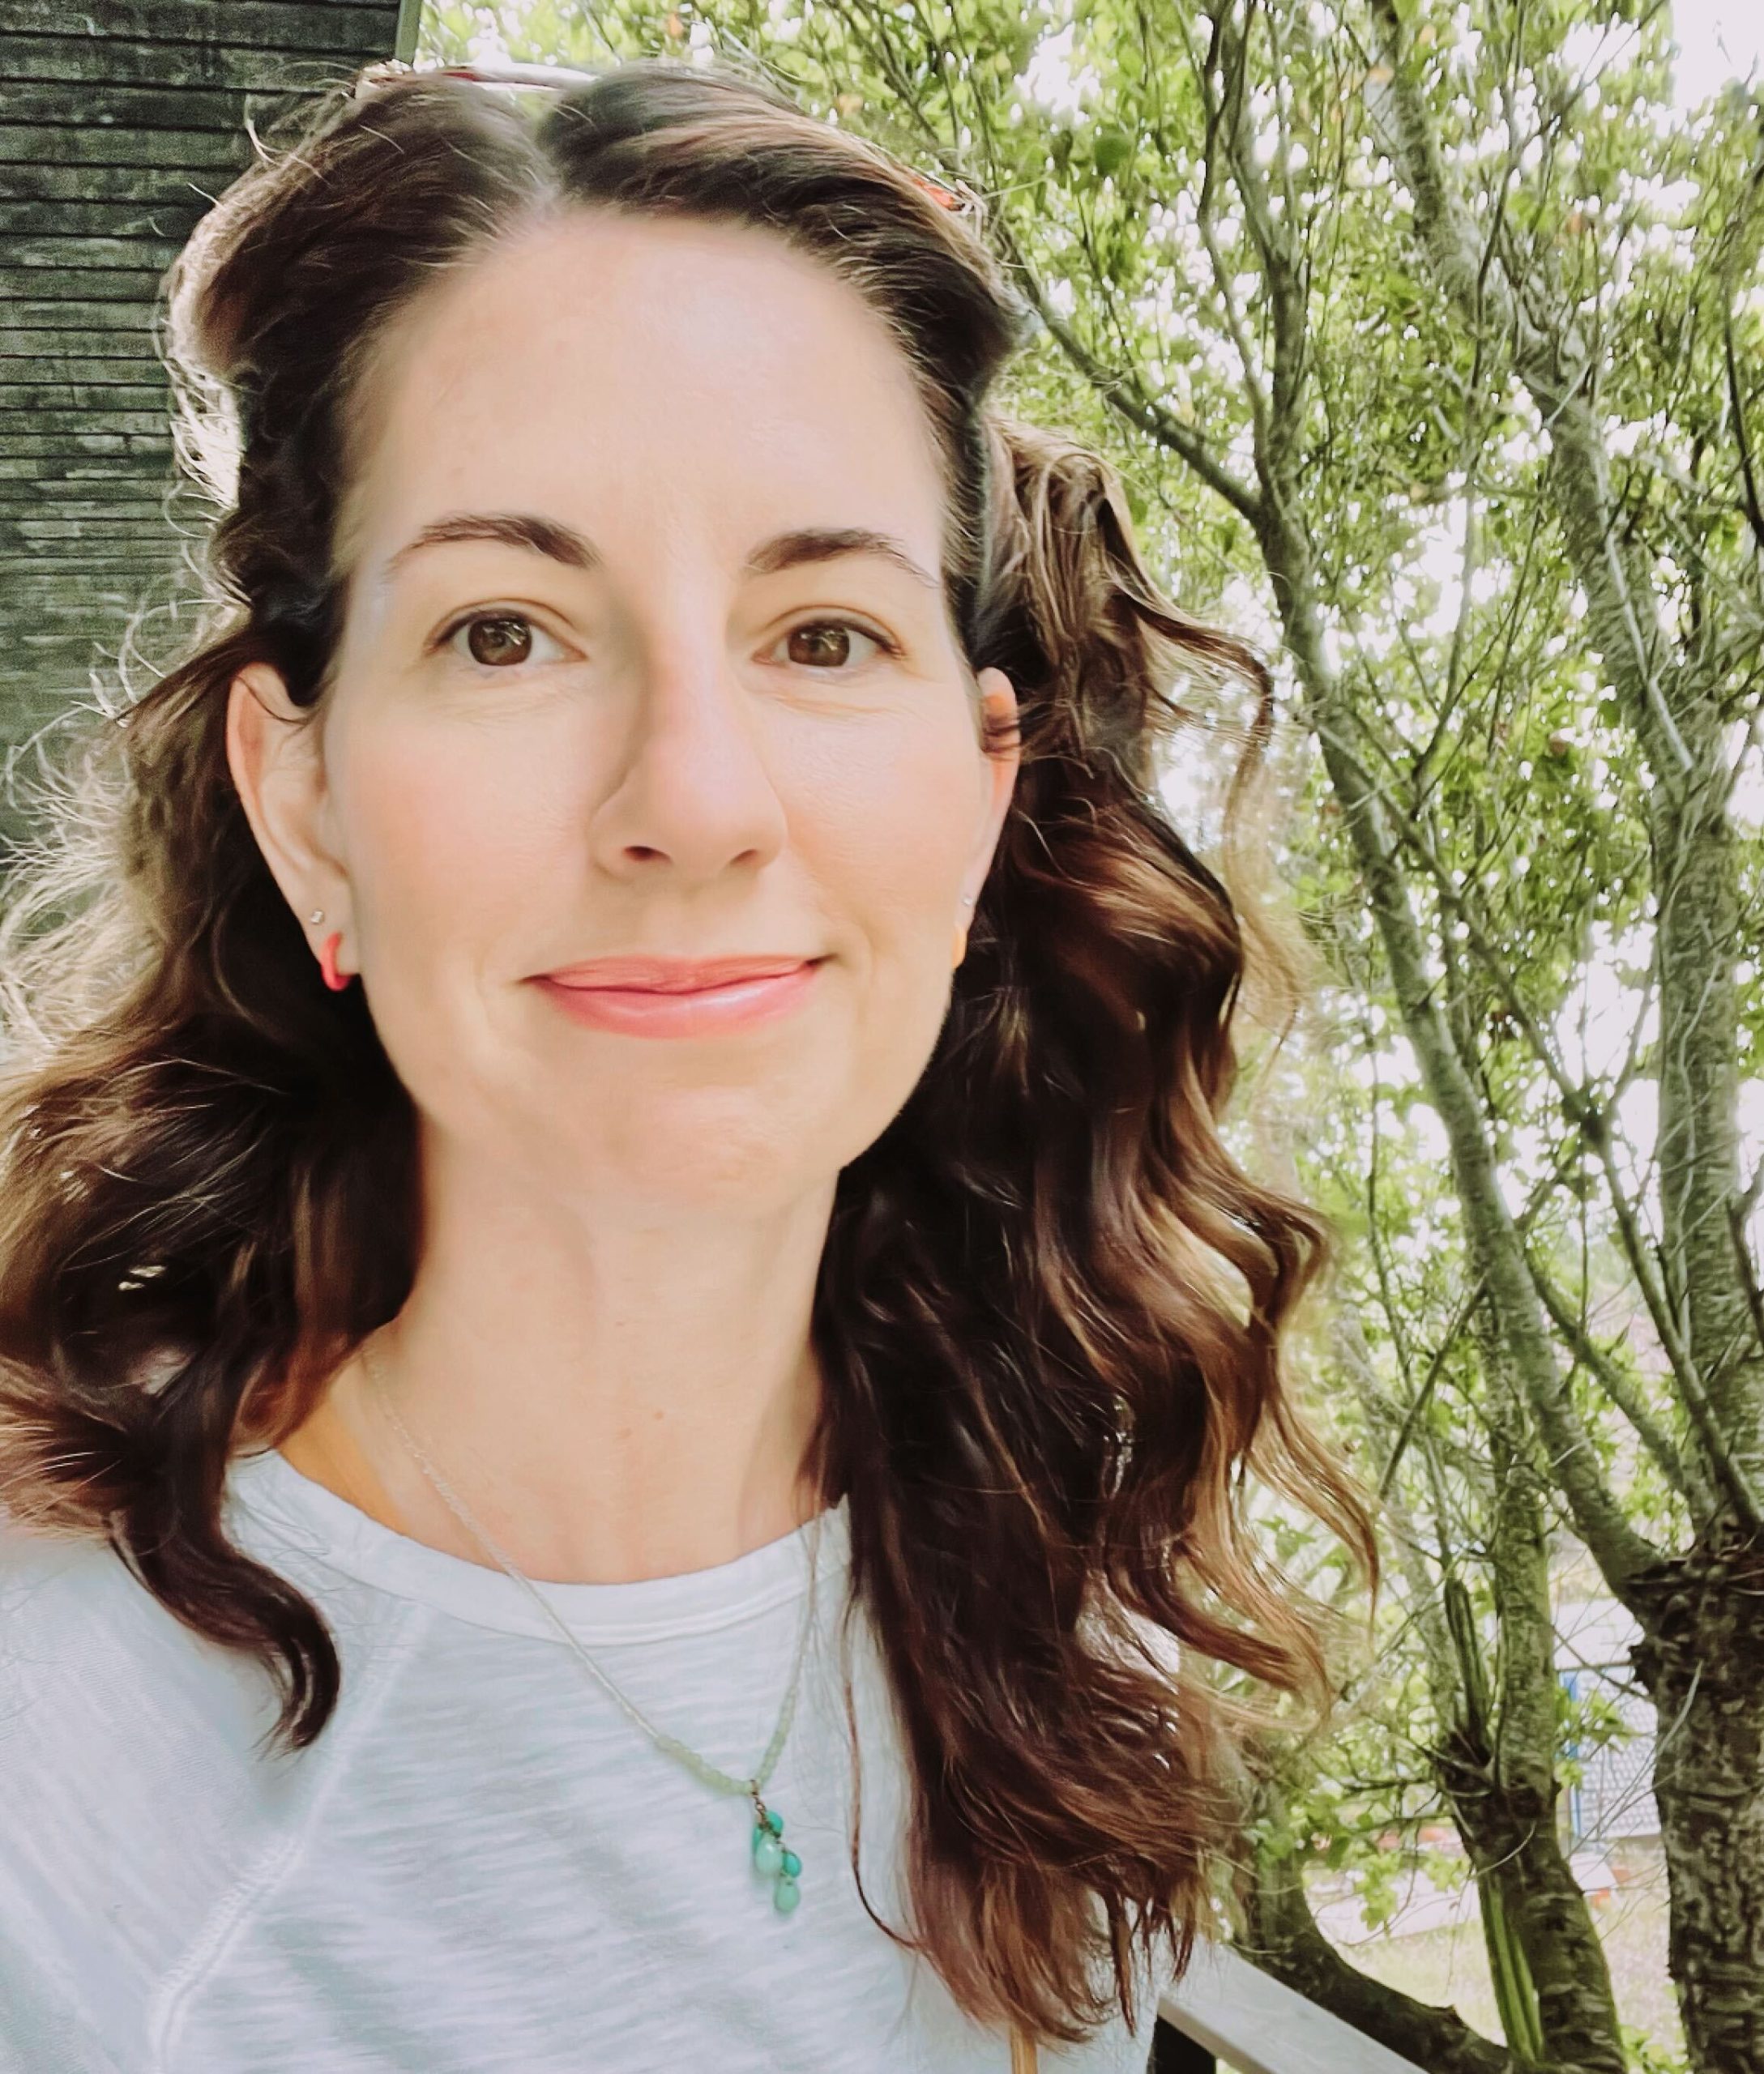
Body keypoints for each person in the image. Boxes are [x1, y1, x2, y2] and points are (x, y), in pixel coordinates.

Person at [0, 54, 1369, 2074]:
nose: (695, 802)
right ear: (304, 800)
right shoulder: (54, 1757)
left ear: (979, 786)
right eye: (503, 631)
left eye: (821, 633)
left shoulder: (1034, 1540)